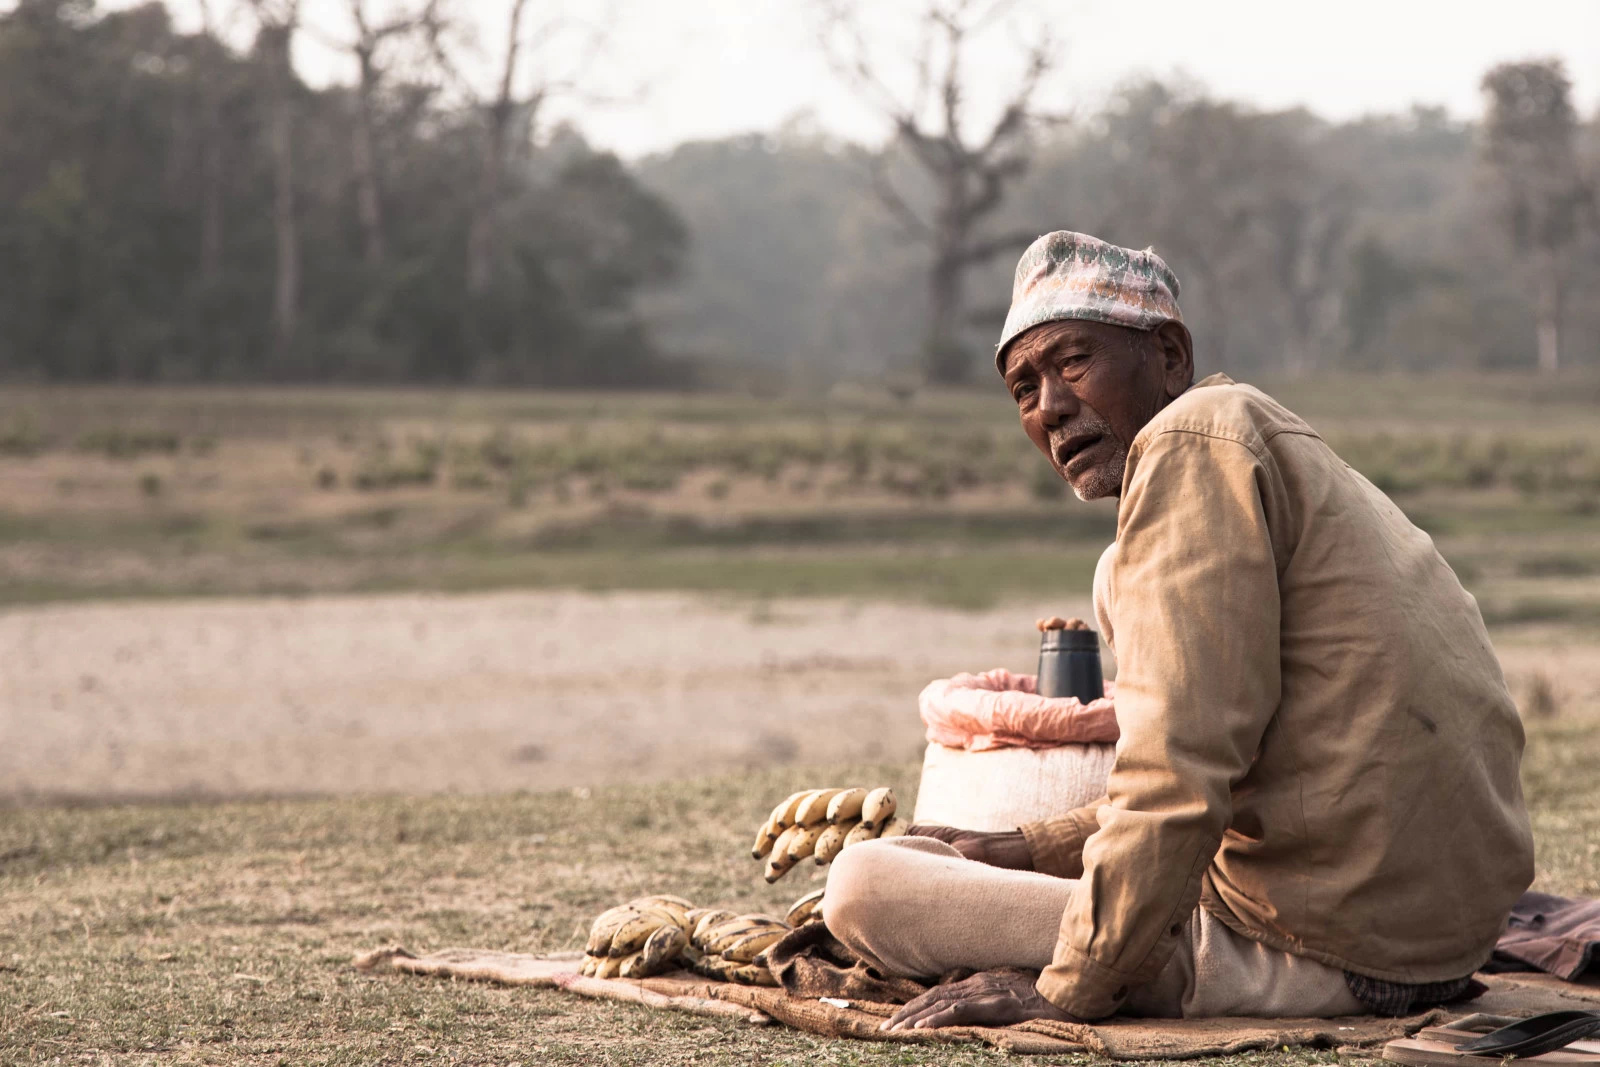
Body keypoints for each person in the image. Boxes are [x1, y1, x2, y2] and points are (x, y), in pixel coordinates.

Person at [822, 231, 1535, 1029]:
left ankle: (1138, 952)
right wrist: (1027, 846)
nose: (1050, 407)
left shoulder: (1189, 443)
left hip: (1322, 948)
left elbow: (1181, 767)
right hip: (1437, 938)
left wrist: (1068, 988)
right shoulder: (1249, 436)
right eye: (1024, 389)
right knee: (966, 848)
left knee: (866, 885)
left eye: (1073, 363)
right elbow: (1229, 751)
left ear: (1168, 356)